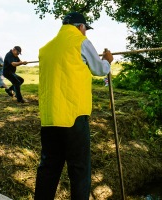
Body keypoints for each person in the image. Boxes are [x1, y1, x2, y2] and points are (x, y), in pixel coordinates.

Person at [34, 12, 113, 200]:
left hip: (50, 118)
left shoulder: (46, 49)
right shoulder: (81, 42)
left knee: (49, 168)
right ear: (80, 27)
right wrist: (107, 60)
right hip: (73, 117)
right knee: (79, 170)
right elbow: (99, 69)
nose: (86, 33)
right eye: (86, 30)